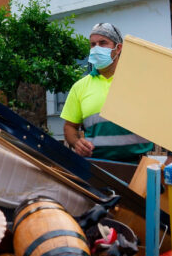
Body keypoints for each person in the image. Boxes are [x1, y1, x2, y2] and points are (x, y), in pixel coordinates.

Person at [61, 22, 153, 162]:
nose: (97, 48)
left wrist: (171, 156)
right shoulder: (79, 87)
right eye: (93, 44)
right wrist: (76, 142)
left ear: (118, 48)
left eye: (103, 43)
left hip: (137, 165)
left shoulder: (139, 82)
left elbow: (166, 118)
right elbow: (70, 126)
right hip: (96, 166)